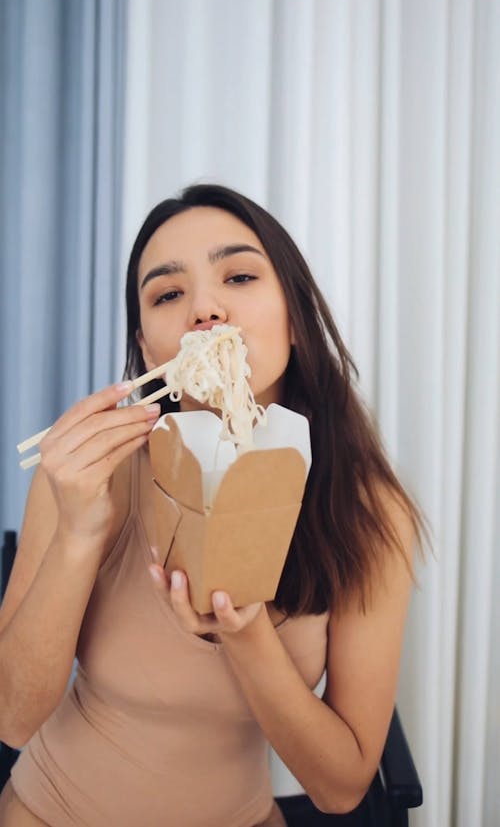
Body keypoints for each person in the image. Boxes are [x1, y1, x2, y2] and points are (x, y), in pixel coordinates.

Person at [0, 183, 426, 827]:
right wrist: (78, 535)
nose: (205, 308)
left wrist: (243, 629)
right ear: (147, 348)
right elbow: (11, 716)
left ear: (294, 313)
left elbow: (341, 789)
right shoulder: (91, 473)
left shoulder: (365, 511)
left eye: (240, 275)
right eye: (168, 294)